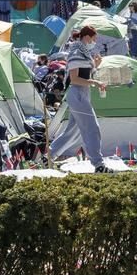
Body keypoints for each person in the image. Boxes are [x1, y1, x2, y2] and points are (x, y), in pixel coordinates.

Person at [49, 26, 111, 173]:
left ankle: (49, 156)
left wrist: (95, 65)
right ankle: (98, 164)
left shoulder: (83, 52)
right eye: (94, 39)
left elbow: (84, 74)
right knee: (92, 128)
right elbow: (75, 79)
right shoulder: (77, 52)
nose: (95, 42)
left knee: (72, 131)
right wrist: (95, 83)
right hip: (77, 93)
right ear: (87, 38)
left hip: (82, 93)